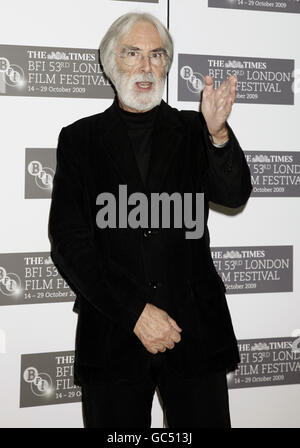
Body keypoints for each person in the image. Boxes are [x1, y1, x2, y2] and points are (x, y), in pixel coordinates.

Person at [48, 12, 252, 428]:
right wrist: (136, 313)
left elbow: (233, 195)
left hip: (194, 331)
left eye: (157, 55)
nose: (146, 66)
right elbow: (69, 243)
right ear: (110, 63)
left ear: (167, 65)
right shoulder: (79, 140)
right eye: (133, 54)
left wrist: (218, 136)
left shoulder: (197, 128)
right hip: (114, 331)